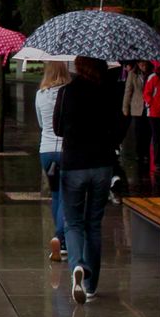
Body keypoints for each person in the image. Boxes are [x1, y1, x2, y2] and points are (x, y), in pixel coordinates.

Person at [54, 56, 125, 304]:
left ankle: (78, 265)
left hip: (73, 164)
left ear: (79, 67)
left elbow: (58, 128)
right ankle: (91, 285)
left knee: (73, 223)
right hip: (102, 165)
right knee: (94, 224)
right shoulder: (110, 93)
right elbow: (119, 129)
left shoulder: (66, 92)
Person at [35, 61, 71, 262]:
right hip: (66, 150)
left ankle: (59, 236)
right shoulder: (68, 93)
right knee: (66, 194)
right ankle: (61, 238)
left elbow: (41, 122)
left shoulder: (40, 95)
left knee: (56, 194)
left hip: (46, 151)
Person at [122, 60, 152, 168]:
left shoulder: (152, 73)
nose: (143, 66)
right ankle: (140, 153)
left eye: (144, 63)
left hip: (149, 107)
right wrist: (125, 107)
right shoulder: (133, 74)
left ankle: (146, 154)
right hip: (137, 107)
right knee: (139, 132)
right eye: (140, 64)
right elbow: (128, 91)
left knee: (148, 132)